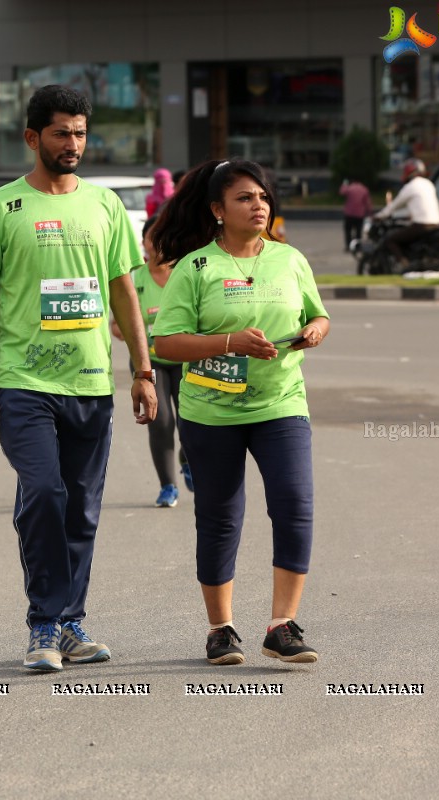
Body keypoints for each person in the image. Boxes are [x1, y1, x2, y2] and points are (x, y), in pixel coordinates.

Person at [0, 84, 157, 672]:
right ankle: (43, 624)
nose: (72, 143)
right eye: (60, 133)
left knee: (82, 507)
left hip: (91, 382)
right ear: (32, 138)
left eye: (79, 133)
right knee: (44, 491)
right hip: (22, 381)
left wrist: (143, 371)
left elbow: (125, 291)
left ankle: (70, 623)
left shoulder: (104, 207)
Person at [150, 158, 329, 666]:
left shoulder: (289, 259)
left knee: (295, 503)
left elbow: (317, 311)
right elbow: (167, 342)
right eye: (245, 198)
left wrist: (316, 329)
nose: (258, 206)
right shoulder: (195, 267)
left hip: (281, 403)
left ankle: (282, 625)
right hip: (211, 412)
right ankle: (221, 629)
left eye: (264, 198)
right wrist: (229, 342)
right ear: (217, 210)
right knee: (220, 518)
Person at [111, 216, 191, 509]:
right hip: (150, 361)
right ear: (142, 243)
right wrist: (134, 332)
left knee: (190, 419)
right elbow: (116, 326)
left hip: (185, 359)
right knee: (161, 421)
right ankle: (168, 486)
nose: (157, 245)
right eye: (151, 238)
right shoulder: (134, 278)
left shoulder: (185, 273)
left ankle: (189, 460)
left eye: (163, 237)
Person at [375, 158, 439, 270]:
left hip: (422, 225)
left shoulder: (410, 187)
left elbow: (393, 206)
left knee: (390, 240)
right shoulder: (428, 183)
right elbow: (420, 205)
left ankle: (404, 264)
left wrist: (379, 216)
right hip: (436, 222)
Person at [339, 178, 372, 250]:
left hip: (349, 214)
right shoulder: (364, 189)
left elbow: (342, 192)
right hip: (359, 214)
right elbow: (367, 203)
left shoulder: (349, 188)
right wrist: (369, 213)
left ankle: (348, 246)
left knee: (348, 230)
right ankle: (357, 246)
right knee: (358, 231)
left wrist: (344, 184)